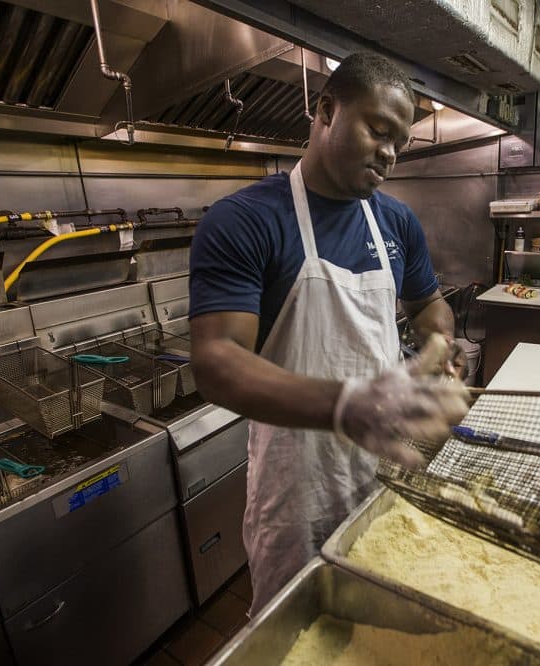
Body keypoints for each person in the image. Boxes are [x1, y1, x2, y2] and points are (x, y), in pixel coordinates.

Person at [188, 52, 470, 616]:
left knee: (375, 619)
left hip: (384, 466)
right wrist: (345, 404)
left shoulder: (396, 222)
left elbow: (429, 304)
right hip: (297, 487)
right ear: (324, 111)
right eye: (378, 130)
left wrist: (440, 346)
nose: (390, 153)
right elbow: (217, 359)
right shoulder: (246, 220)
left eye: (401, 142)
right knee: (301, 625)